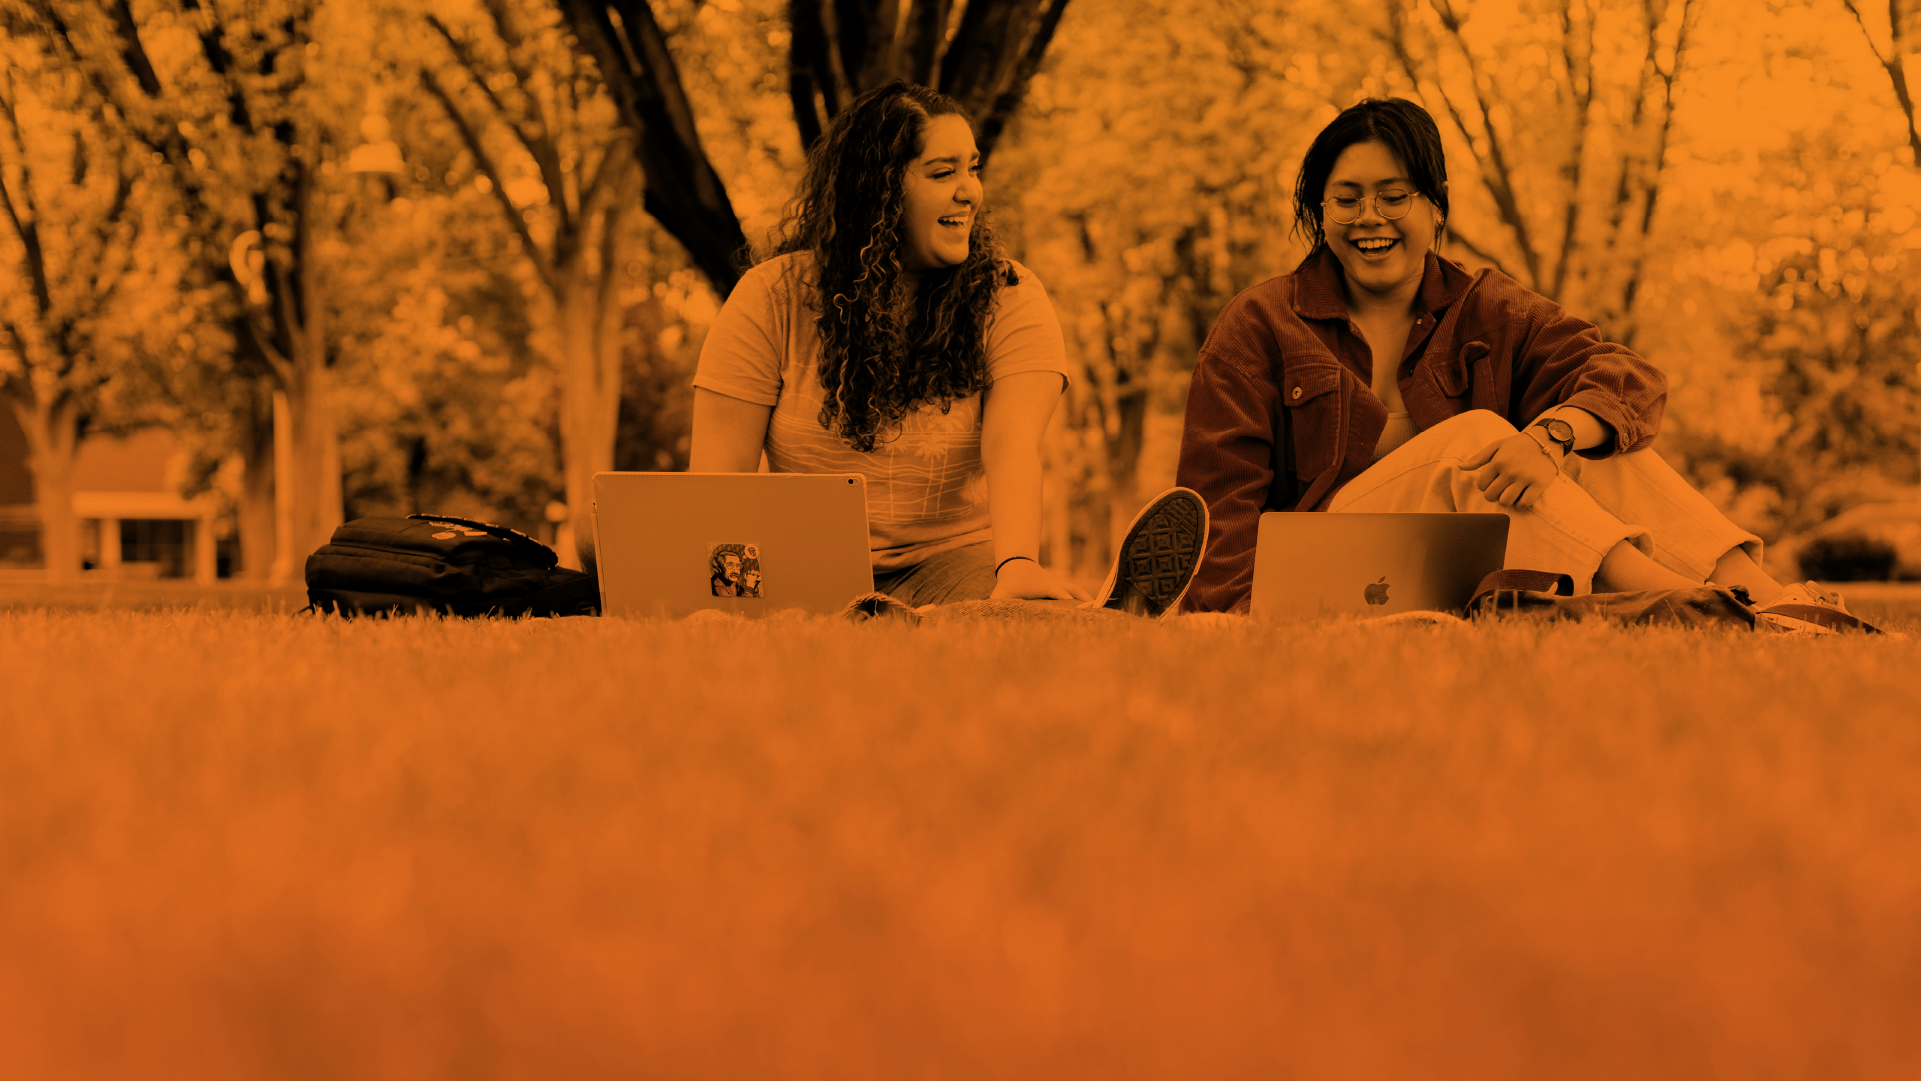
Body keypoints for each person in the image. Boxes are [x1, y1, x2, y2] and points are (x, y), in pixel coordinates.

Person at [1174, 97, 1882, 634]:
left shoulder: (1484, 307)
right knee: (1475, 434)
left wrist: (1555, 436)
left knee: (1590, 435)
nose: (1371, 217)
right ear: (1317, 210)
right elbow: (1216, 500)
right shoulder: (1261, 323)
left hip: (1448, 566)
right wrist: (1237, 614)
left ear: (1435, 209)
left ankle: (1765, 597)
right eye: (1347, 197)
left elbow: (1626, 377)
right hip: (1325, 567)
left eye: (1394, 196)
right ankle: (1667, 597)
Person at [691, 81, 1205, 618]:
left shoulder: (1009, 296)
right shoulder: (770, 298)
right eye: (943, 172)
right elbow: (718, 480)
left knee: (1014, 616)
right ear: (877, 190)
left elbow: (1011, 446)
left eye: (972, 169)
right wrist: (728, 592)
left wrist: (1017, 565)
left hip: (951, 561)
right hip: (802, 561)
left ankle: (1099, 618)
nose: (970, 193)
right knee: (741, 621)